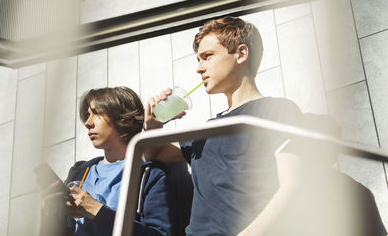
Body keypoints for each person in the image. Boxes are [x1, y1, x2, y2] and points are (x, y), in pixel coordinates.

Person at [144, 16, 387, 235]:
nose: (199, 67)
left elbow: (293, 185)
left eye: (208, 56)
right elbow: (153, 154)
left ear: (241, 54)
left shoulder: (275, 110)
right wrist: (153, 125)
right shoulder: (206, 131)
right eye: (198, 59)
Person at [39, 86, 177, 236]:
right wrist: (50, 213)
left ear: (126, 119)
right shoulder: (80, 172)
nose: (87, 122)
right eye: (87, 115)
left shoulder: (150, 175)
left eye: (97, 113)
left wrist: (96, 210)